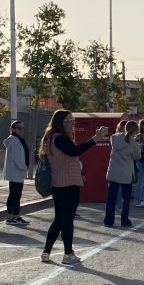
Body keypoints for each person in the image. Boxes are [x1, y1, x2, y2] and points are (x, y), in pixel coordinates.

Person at [40, 110, 108, 265]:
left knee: (59, 219)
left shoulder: (50, 137)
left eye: (73, 121)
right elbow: (74, 152)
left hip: (58, 183)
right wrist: (95, 138)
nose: (72, 124)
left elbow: (66, 158)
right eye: (69, 121)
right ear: (60, 123)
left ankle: (46, 252)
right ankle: (68, 254)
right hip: (68, 184)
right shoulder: (61, 138)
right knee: (67, 220)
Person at [104, 121, 142, 228]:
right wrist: (138, 144)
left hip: (114, 171)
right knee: (126, 199)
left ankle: (108, 221)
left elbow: (114, 142)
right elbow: (137, 157)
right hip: (126, 173)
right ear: (135, 130)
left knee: (111, 198)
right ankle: (124, 220)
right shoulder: (134, 143)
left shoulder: (115, 137)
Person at [3, 119, 29, 226]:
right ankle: (12, 217)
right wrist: (24, 167)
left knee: (15, 195)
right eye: (19, 128)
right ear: (13, 129)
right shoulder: (14, 140)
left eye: (22, 128)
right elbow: (17, 158)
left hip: (16, 172)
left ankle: (14, 216)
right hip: (16, 171)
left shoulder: (17, 139)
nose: (21, 130)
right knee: (15, 195)